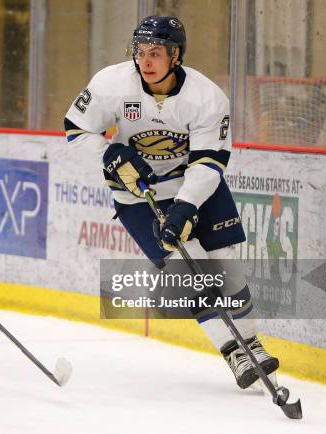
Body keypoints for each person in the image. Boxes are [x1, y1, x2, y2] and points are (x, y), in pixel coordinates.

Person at [64, 16, 279, 389]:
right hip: (137, 195)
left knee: (223, 264)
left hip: (193, 185)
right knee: (187, 267)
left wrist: (185, 206)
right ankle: (234, 352)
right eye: (140, 52)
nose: (145, 61)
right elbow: (76, 129)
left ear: (175, 56)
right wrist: (109, 154)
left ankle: (253, 346)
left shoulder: (206, 97)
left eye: (156, 53)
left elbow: (209, 162)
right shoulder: (111, 84)